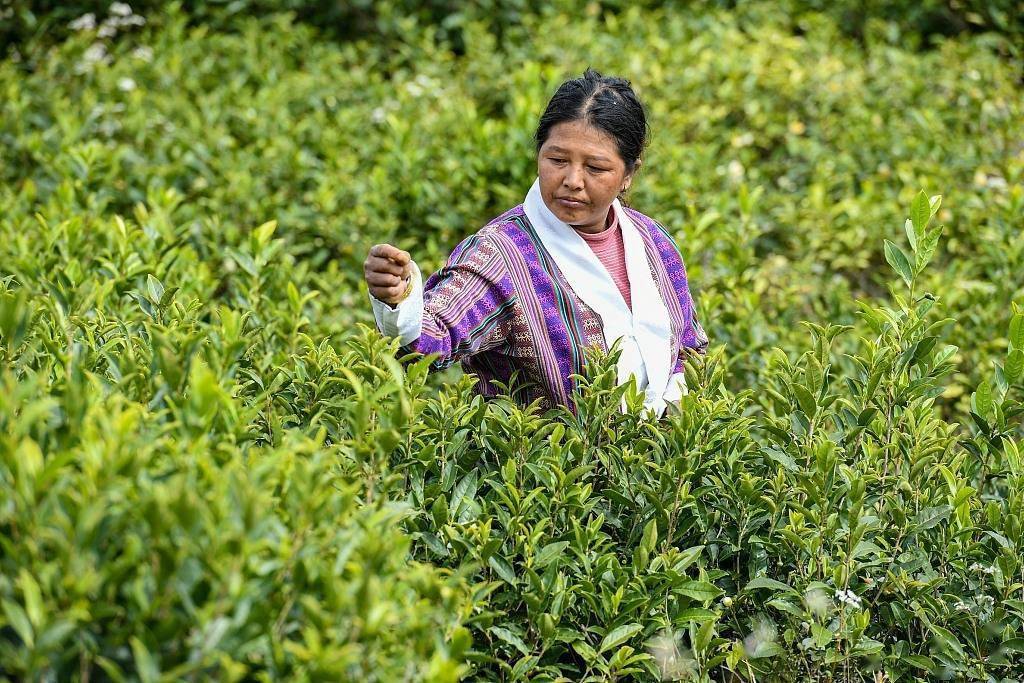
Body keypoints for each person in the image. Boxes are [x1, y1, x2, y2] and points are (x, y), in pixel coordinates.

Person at [363, 68, 708, 416]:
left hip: (655, 466)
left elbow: (688, 348)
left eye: (596, 168)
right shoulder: (500, 254)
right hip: (541, 466)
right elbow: (431, 339)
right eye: (557, 160)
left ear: (629, 175)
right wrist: (398, 298)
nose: (572, 180)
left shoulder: (653, 242)